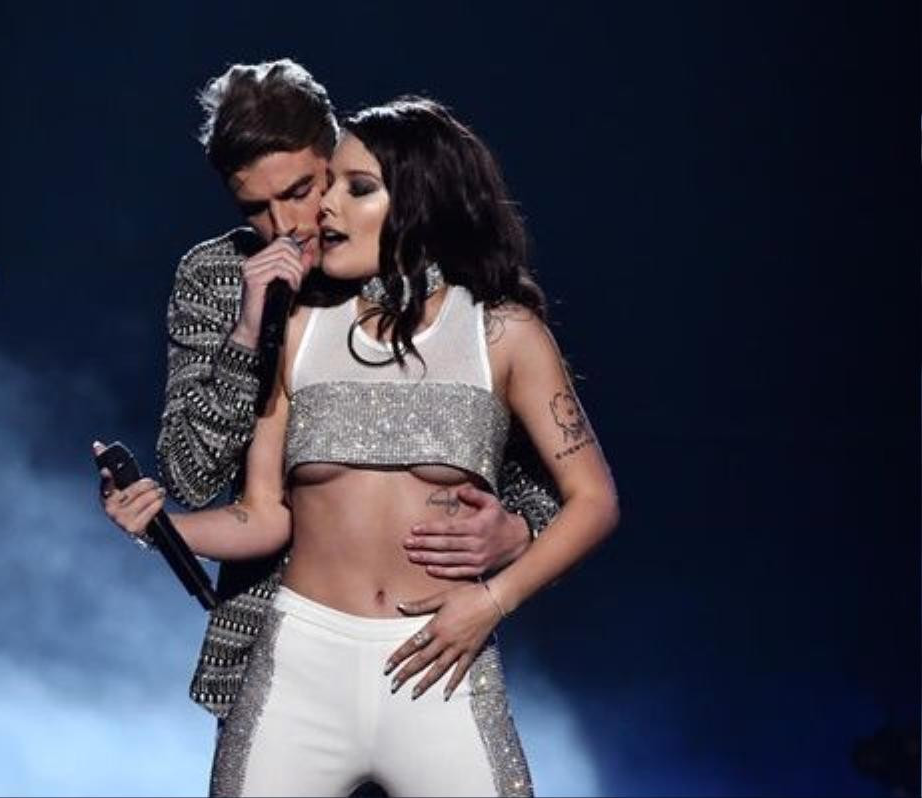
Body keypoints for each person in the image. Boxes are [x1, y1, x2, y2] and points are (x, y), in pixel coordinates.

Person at [99, 97, 619, 796]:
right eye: (331, 187)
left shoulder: (503, 332)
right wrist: (160, 527)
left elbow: (593, 500)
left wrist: (494, 598)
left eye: (354, 188)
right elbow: (263, 514)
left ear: (419, 201)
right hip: (298, 662)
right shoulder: (297, 327)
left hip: (440, 657)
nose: (319, 215)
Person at [150, 59, 562, 722]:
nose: (285, 223)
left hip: (421, 642)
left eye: (302, 189)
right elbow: (191, 476)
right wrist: (248, 332)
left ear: (338, 156)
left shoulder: (427, 275)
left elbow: (544, 474)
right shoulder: (217, 277)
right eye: (255, 207)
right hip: (271, 649)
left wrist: (519, 532)